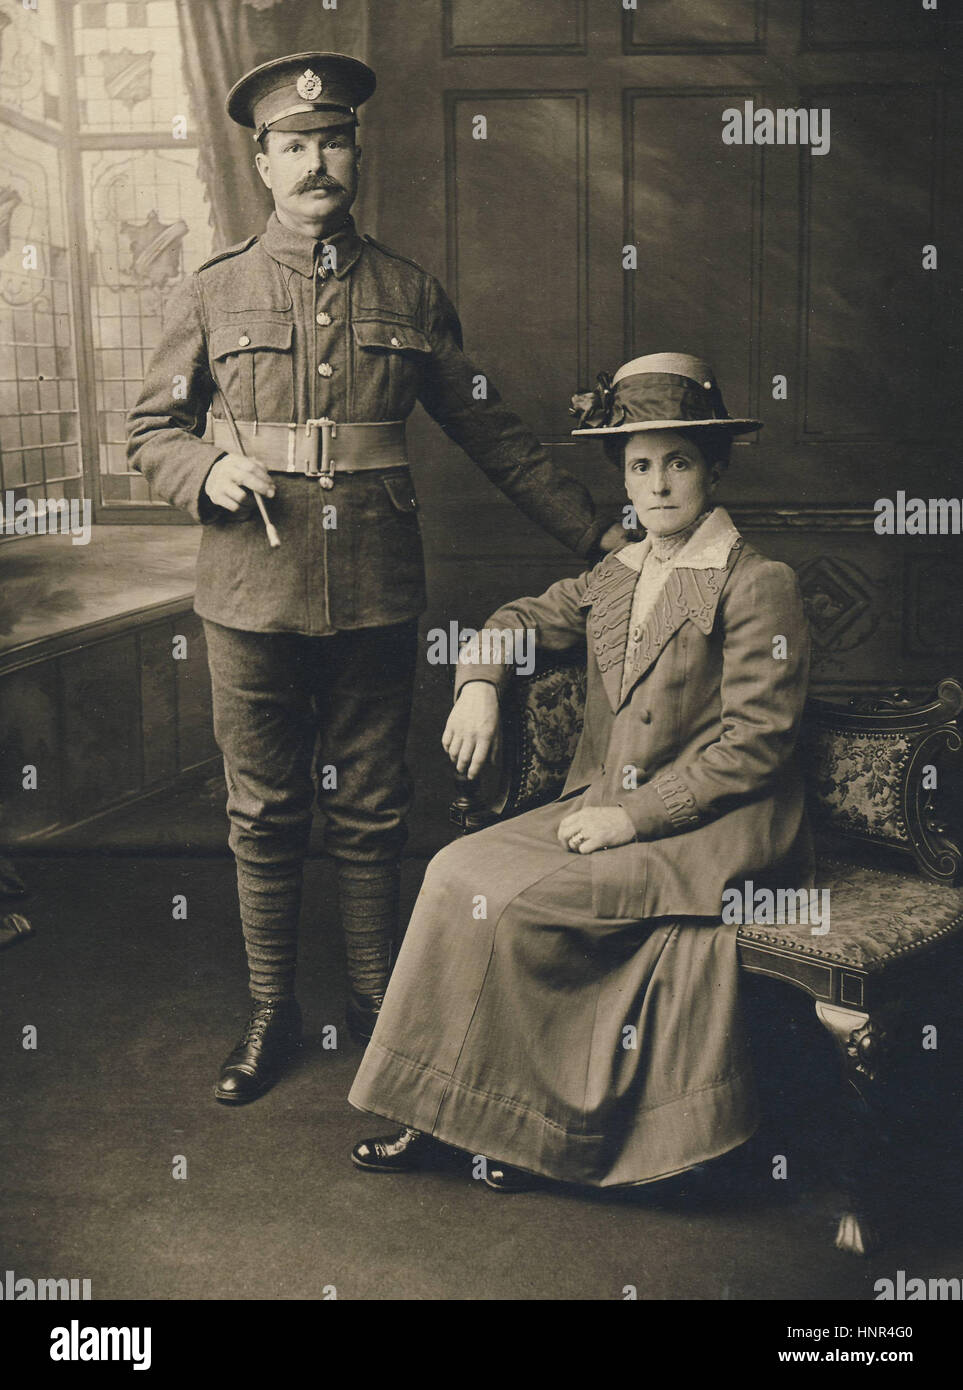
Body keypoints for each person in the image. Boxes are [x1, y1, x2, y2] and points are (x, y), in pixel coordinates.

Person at [126, 52, 618, 1105]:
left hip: (378, 589)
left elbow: (493, 433)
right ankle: (271, 1009)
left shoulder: (410, 293)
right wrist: (207, 469)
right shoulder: (213, 291)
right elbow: (148, 429)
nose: (316, 161)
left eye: (332, 140)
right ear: (261, 162)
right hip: (248, 587)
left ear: (356, 152)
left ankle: (374, 998)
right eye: (293, 145)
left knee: (375, 803)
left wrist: (603, 538)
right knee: (262, 809)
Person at [349, 352, 813, 1191]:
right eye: (641, 466)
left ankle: (524, 1133)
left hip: (716, 831)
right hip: (605, 804)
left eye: (678, 462)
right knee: (453, 869)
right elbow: (516, 620)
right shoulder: (615, 575)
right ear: (623, 482)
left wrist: (631, 819)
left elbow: (757, 743)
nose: (660, 484)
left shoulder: (757, 583)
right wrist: (481, 683)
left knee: (519, 905)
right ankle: (443, 1115)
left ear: (712, 470)